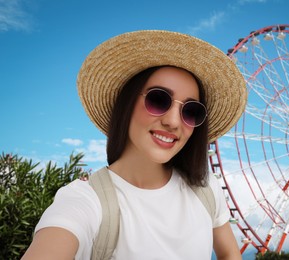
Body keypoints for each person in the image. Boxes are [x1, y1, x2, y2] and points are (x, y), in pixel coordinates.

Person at [22, 30, 247, 259]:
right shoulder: (85, 201)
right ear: (127, 102)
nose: (173, 121)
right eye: (158, 100)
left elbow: (230, 252)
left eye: (191, 111)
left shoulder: (205, 189)